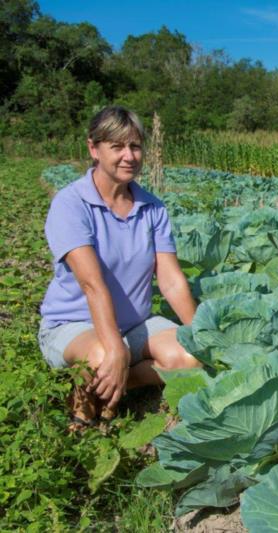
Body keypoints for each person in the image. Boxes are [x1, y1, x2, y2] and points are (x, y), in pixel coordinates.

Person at [38, 106, 201, 427]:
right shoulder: (71, 204)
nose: (129, 156)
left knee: (190, 357)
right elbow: (91, 284)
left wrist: (202, 335)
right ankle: (88, 402)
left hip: (136, 322)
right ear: (93, 149)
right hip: (74, 323)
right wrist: (115, 349)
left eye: (135, 146)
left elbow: (170, 280)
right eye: (117, 147)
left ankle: (113, 386)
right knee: (103, 357)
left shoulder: (152, 207)